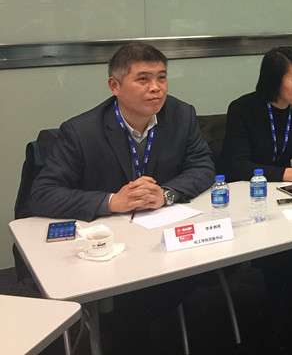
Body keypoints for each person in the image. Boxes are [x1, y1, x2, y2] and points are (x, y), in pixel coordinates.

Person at [28, 42, 215, 353]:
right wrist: (111, 201)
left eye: (162, 77)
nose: (156, 88)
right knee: (127, 312)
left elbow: (203, 166)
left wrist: (166, 193)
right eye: (143, 79)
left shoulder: (181, 115)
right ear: (114, 86)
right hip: (111, 248)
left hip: (161, 237)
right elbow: (43, 194)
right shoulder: (81, 131)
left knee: (195, 273)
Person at [222, 46, 292, 338]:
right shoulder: (243, 108)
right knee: (277, 241)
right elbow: (237, 167)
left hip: (285, 189)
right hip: (248, 193)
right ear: (274, 80)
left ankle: (284, 303)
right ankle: (280, 307)